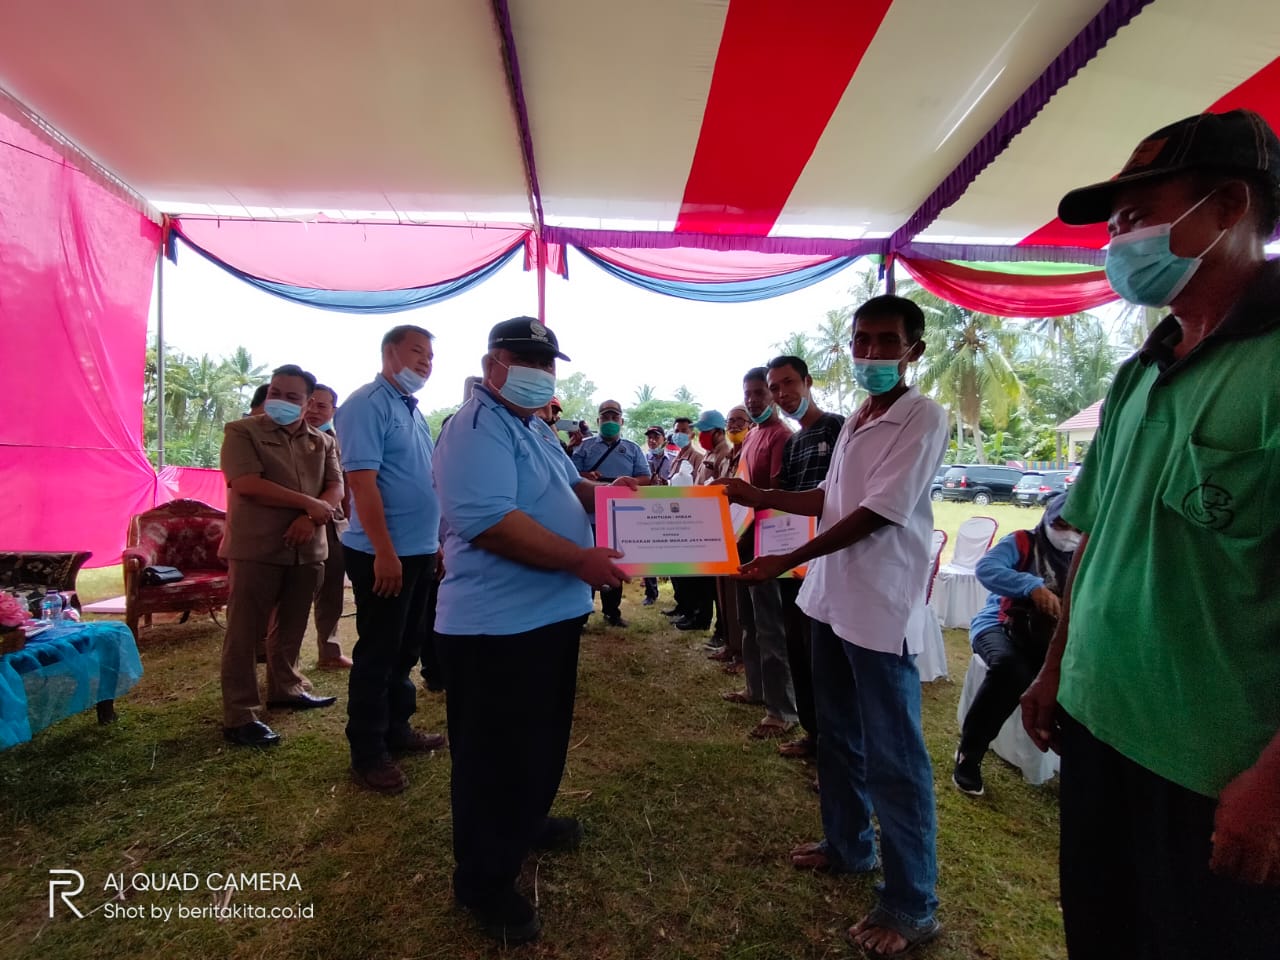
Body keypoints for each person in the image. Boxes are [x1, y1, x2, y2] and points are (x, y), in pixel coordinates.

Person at [1020, 110, 1280, 959]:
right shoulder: (1141, 369)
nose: (1117, 238)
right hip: (1099, 728)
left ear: (1227, 206)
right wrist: (1057, 667)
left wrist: (1272, 783)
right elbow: (1096, 537)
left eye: (1136, 215)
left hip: (1214, 772)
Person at [721, 295, 948, 955]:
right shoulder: (858, 421)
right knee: (839, 739)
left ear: (914, 350)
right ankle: (848, 846)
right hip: (829, 602)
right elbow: (832, 497)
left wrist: (788, 556)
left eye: (886, 341)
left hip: (879, 608)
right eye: (862, 341)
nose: (871, 353)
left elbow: (878, 512)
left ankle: (912, 903)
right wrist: (763, 498)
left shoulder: (921, 417)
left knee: (896, 758)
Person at [434, 316, 635, 944]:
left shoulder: (533, 426)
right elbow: (490, 522)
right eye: (524, 359)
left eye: (547, 363)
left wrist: (606, 494)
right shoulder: (472, 430)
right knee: (492, 755)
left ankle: (525, 822)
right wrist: (581, 559)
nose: (538, 373)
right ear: (493, 362)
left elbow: (567, 484)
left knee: (539, 739)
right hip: (496, 628)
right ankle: (484, 881)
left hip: (547, 615)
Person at [335, 324, 447, 795]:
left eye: (430, 356)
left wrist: (434, 543)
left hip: (418, 552)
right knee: (378, 652)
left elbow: (422, 481)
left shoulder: (412, 410)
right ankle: (368, 752)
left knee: (407, 647)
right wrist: (384, 551)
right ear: (389, 352)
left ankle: (397, 729)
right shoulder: (367, 404)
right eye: (416, 352)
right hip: (384, 554)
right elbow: (363, 484)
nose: (425, 362)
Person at [218, 364, 343, 748]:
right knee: (245, 631)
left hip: (308, 550)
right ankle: (240, 714)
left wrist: (310, 517)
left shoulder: (321, 442)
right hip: (257, 548)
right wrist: (309, 504)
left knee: (291, 625)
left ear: (307, 404)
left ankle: (285, 688)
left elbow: (336, 486)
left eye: (293, 397)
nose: (282, 401)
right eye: (276, 393)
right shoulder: (242, 432)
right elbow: (246, 483)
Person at [953, 493, 1079, 796]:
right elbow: (987, 568)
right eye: (1062, 524)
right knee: (1012, 669)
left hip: (1056, 638)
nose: (1069, 534)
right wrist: (1031, 586)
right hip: (999, 625)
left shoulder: (1087, 556)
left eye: (1077, 528)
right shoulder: (1023, 542)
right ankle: (970, 754)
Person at [763, 354, 845, 761]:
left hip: (831, 560)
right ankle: (813, 734)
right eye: (775, 388)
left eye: (789, 383)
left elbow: (837, 500)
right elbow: (786, 503)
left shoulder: (839, 428)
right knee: (798, 646)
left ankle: (835, 746)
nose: (783, 394)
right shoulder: (793, 442)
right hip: (793, 560)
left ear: (808, 382)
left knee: (826, 655)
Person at [722, 367, 798, 740]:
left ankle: (782, 709)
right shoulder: (752, 436)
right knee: (748, 622)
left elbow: (777, 495)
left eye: (759, 393)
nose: (753, 400)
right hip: (742, 541)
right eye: (748, 393)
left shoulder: (783, 436)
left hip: (768, 545)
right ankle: (754, 689)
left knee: (771, 627)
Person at [571, 399, 650, 626]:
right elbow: (570, 475)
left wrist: (627, 483)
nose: (610, 421)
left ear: (622, 421)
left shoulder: (633, 449)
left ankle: (612, 611)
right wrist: (586, 476)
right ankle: (583, 613)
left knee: (614, 563)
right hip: (587, 516)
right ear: (598, 420)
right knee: (586, 561)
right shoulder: (584, 447)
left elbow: (646, 477)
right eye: (605, 417)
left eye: (615, 417)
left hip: (619, 516)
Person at [708, 406, 753, 666]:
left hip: (742, 534)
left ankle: (741, 654)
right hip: (722, 531)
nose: (734, 425)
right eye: (731, 421)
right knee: (724, 593)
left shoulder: (748, 453)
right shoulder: (727, 458)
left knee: (739, 600)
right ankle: (730, 644)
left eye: (740, 421)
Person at [641, 425, 673, 605]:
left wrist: (666, 483)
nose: (652, 441)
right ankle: (650, 593)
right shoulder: (642, 460)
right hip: (647, 510)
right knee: (647, 551)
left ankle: (678, 593)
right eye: (649, 438)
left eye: (656, 437)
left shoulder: (674, 460)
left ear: (664, 440)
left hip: (669, 510)